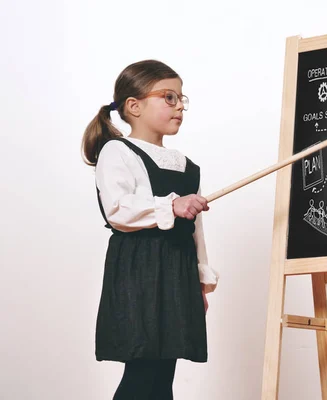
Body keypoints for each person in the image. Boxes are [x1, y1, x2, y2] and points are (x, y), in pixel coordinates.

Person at [81, 59, 219, 399]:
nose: (179, 106)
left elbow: (195, 228)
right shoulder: (117, 151)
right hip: (140, 268)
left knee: (163, 374)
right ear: (134, 106)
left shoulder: (188, 166)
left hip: (177, 268)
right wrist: (171, 205)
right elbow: (118, 210)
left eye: (181, 99)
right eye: (168, 97)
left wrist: (201, 279)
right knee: (143, 370)